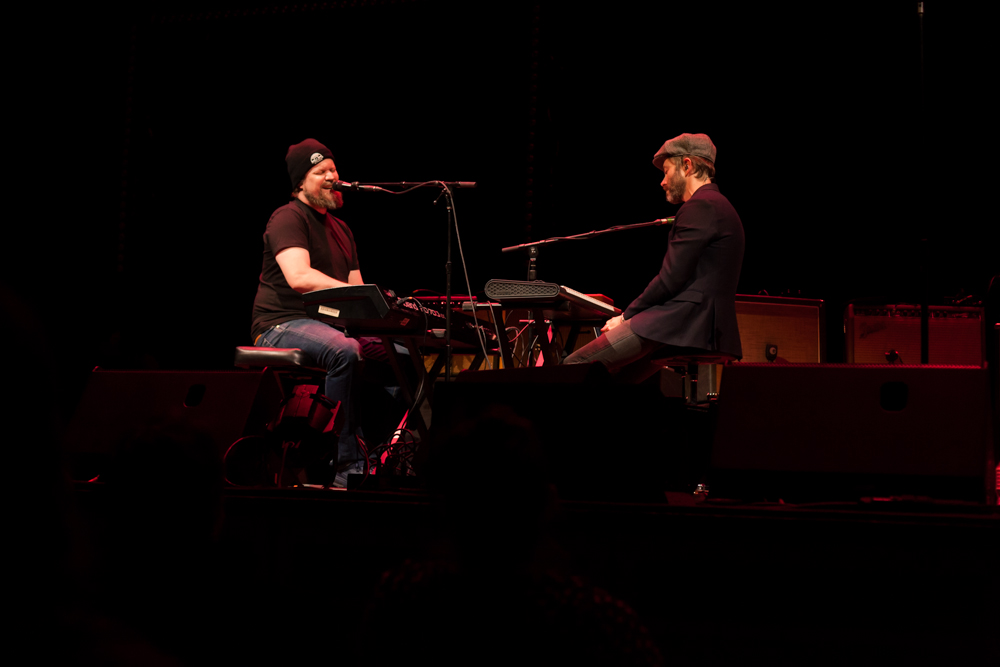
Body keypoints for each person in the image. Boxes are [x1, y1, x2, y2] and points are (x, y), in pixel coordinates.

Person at [564, 133, 744, 379]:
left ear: (687, 165)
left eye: (667, 171)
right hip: (696, 324)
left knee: (573, 367)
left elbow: (670, 278)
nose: (662, 181)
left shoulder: (700, 206)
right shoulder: (719, 205)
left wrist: (626, 316)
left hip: (680, 321)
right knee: (618, 382)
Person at [250, 138, 366, 485]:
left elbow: (358, 292)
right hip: (280, 324)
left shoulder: (343, 230)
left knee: (401, 355)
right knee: (346, 350)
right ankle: (343, 468)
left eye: (334, 169)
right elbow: (299, 278)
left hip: (329, 325)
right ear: (300, 182)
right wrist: (357, 296)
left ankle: (382, 456)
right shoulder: (287, 217)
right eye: (321, 171)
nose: (332, 176)